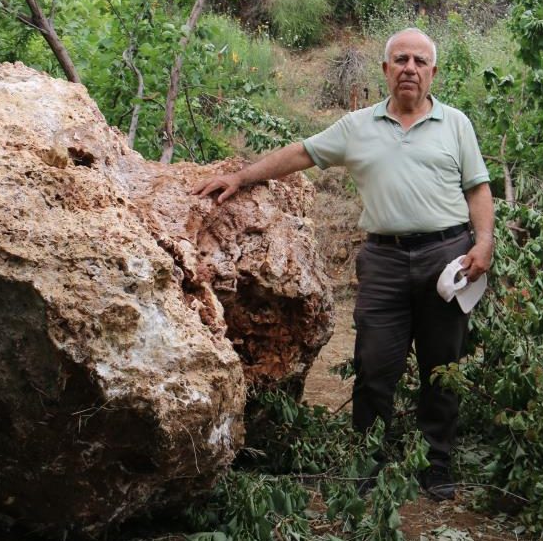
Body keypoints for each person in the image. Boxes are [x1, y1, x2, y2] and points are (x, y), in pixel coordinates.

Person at [191, 28, 494, 501]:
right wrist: (241, 176)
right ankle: (368, 463)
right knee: (374, 366)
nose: (409, 68)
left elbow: (478, 188)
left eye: (419, 61)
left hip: (446, 257)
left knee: (442, 368)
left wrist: (484, 242)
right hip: (384, 260)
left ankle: (437, 465)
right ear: (385, 70)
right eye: (400, 60)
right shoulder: (356, 126)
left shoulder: (456, 124)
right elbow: (301, 154)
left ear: (433, 71)